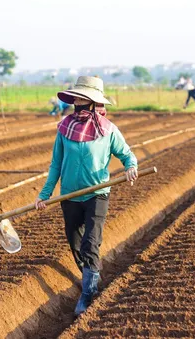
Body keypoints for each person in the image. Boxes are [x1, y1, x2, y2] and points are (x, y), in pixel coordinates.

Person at [34, 76, 138, 316]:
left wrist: (131, 167)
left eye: (83, 98)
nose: (78, 102)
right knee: (74, 241)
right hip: (70, 195)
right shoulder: (64, 128)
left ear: (92, 102)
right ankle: (89, 274)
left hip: (96, 194)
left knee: (91, 242)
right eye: (76, 98)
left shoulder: (108, 130)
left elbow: (127, 155)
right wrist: (45, 194)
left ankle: (88, 293)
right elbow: (56, 165)